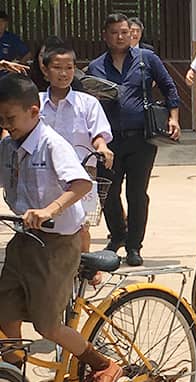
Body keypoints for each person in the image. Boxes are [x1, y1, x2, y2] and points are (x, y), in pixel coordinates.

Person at [0, 73, 122, 382]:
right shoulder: (7, 147)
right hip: (24, 241)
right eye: (1, 119)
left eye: (10, 118)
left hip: (56, 245)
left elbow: (81, 184)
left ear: (34, 111)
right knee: (4, 312)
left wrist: (49, 210)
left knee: (46, 324)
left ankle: (101, 365)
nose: (6, 124)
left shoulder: (52, 143)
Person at [87, 13, 181, 266]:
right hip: (109, 142)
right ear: (105, 36)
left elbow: (169, 87)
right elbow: (86, 103)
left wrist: (174, 118)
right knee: (107, 192)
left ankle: (133, 246)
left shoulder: (146, 59)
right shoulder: (95, 67)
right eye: (114, 32)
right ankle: (117, 235)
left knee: (137, 194)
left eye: (124, 32)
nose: (120, 36)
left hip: (141, 140)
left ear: (132, 33)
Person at [38, 46, 115, 253]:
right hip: (43, 171)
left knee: (81, 225)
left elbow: (98, 133)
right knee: (45, 224)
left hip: (81, 172)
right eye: (57, 67)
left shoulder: (88, 103)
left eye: (69, 67)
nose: (63, 73)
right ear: (45, 70)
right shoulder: (35, 103)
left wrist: (103, 147)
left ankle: (83, 270)